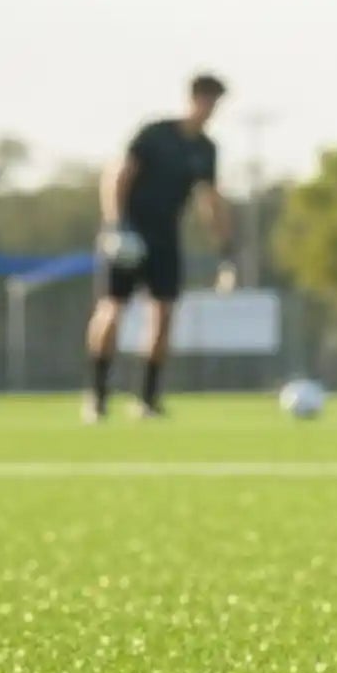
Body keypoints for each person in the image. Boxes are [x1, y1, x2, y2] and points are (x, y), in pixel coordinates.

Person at [85, 74, 232, 421]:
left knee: (163, 315)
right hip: (130, 232)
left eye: (215, 103)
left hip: (166, 237)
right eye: (206, 100)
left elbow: (209, 200)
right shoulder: (155, 134)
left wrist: (225, 248)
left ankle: (147, 399)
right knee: (112, 309)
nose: (210, 109)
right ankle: (97, 396)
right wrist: (115, 224)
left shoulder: (205, 149)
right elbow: (118, 175)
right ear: (193, 98)